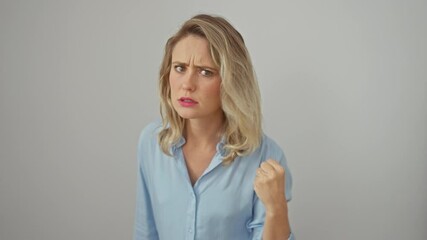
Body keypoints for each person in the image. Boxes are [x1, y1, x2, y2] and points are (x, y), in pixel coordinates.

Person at [134, 14, 294, 240]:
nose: (187, 84)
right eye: (180, 68)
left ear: (231, 81)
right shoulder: (151, 141)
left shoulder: (266, 157)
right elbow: (145, 232)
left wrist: (277, 208)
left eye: (205, 72)